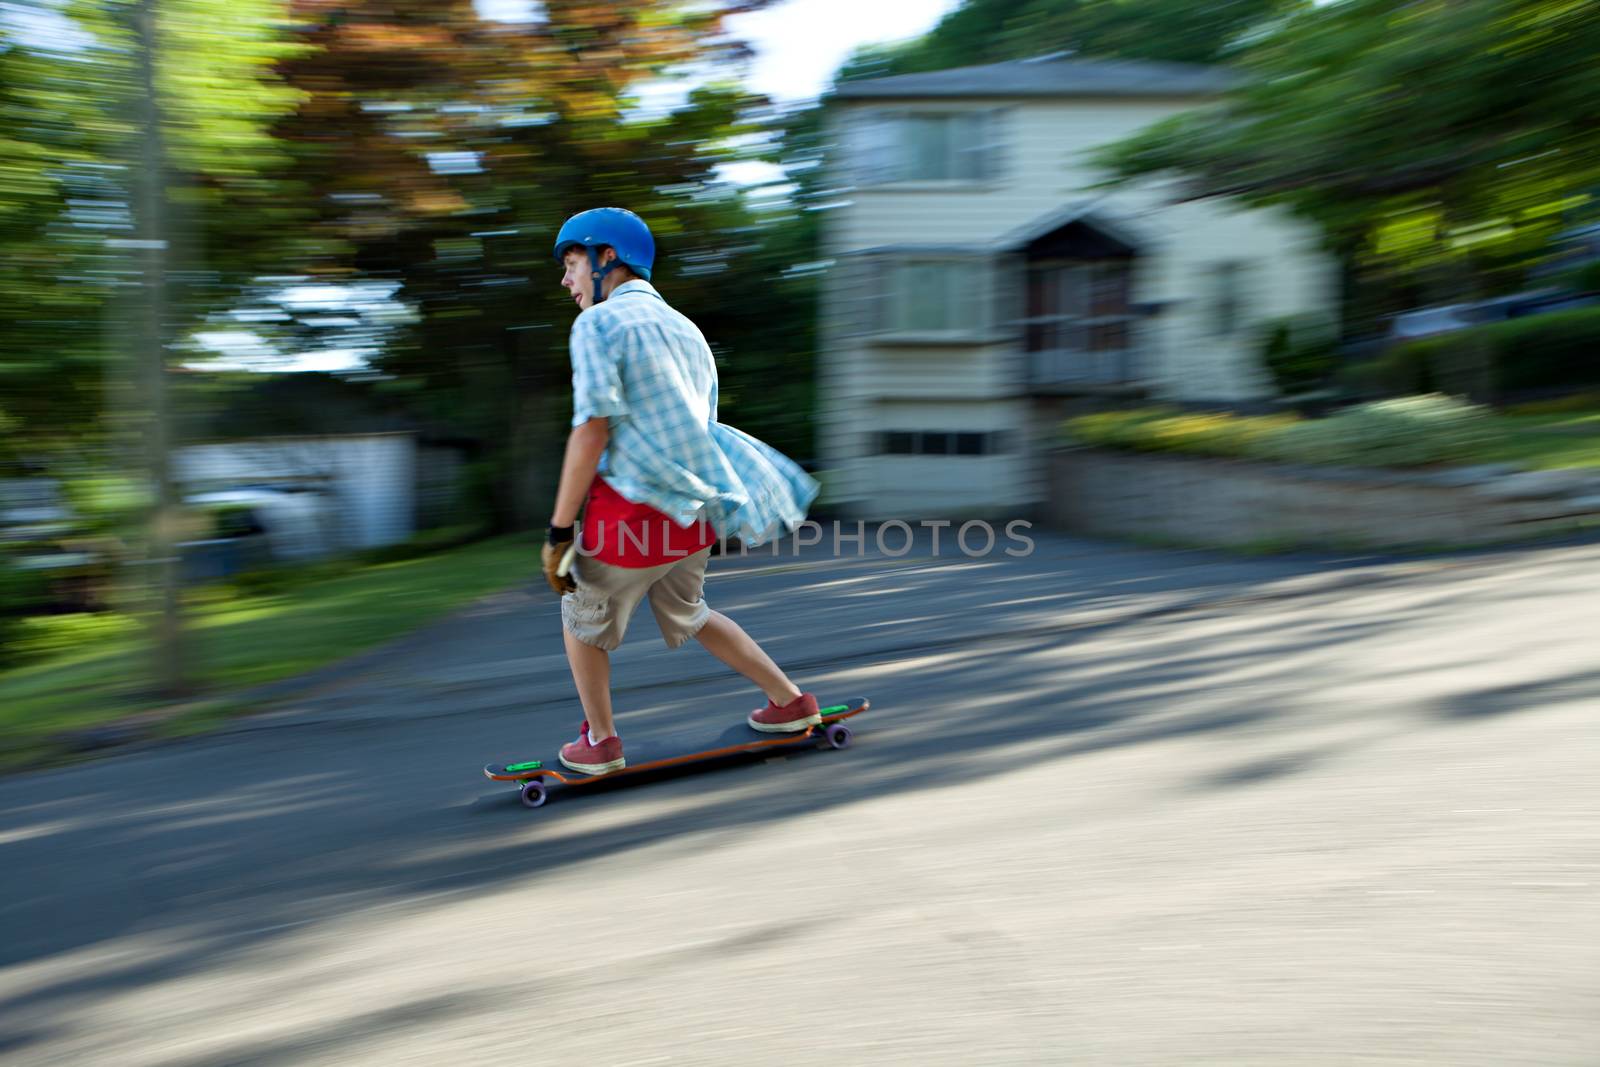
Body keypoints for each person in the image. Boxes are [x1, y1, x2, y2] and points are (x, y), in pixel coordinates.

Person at [542, 206, 820, 775]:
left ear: (606, 258)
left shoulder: (598, 325)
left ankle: (600, 741)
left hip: (630, 513)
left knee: (581, 615)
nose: (565, 281)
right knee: (689, 610)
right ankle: (790, 702)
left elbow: (592, 428)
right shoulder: (686, 328)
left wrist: (559, 529)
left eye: (571, 264)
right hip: (692, 514)